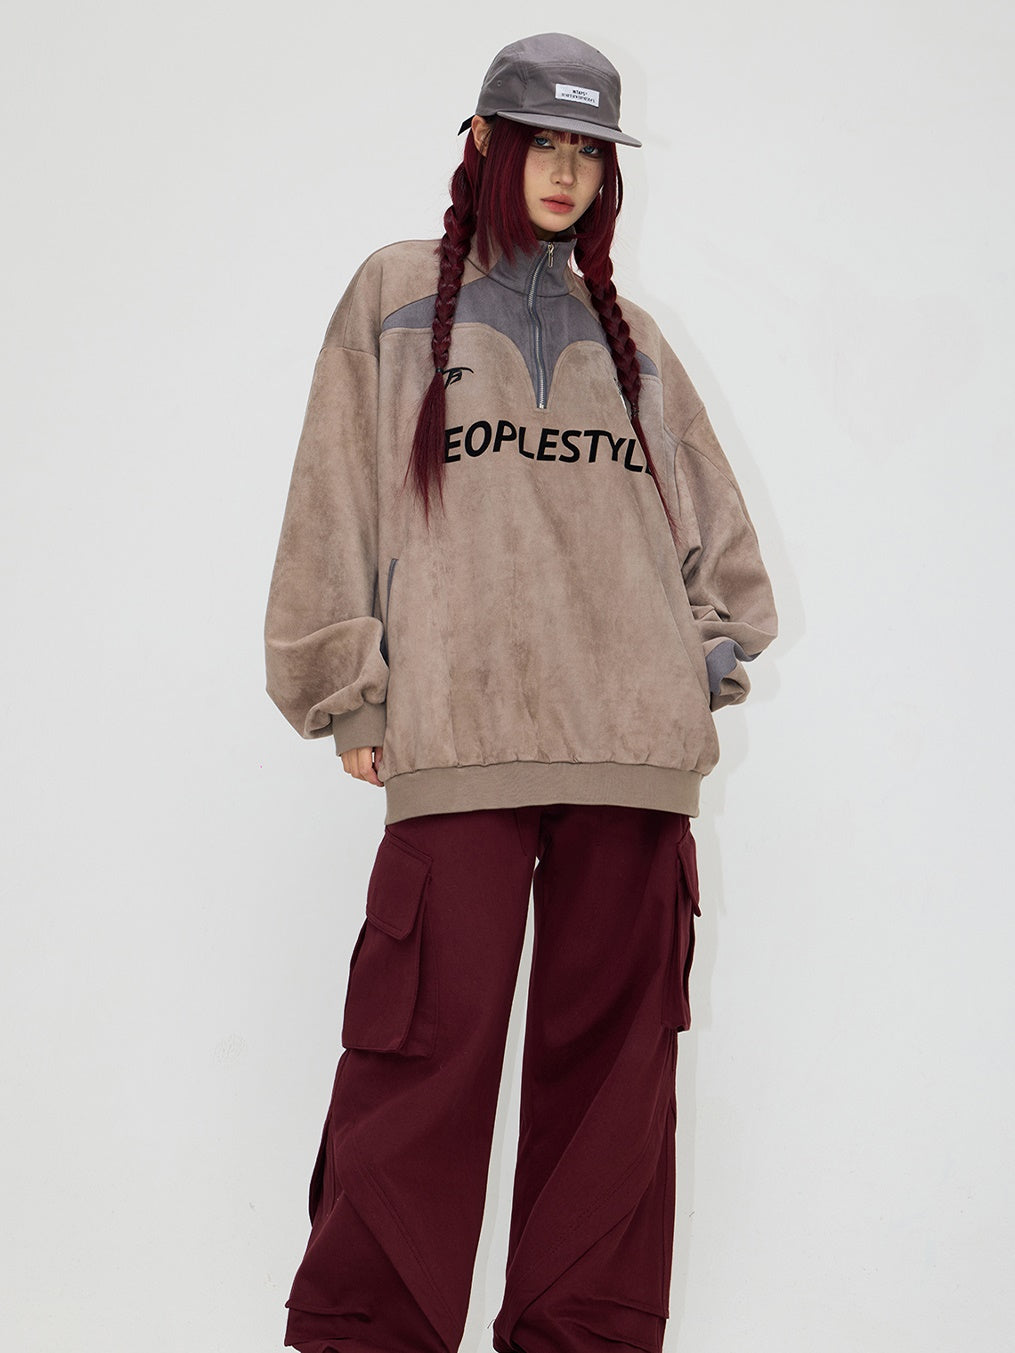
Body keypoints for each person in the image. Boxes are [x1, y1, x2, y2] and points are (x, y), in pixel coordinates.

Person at [263, 31, 778, 1353]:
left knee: (615, 1084)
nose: (565, 173)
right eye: (542, 143)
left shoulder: (634, 340)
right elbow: (331, 501)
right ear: (484, 143)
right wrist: (349, 691)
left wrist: (698, 663)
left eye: (588, 154)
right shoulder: (396, 297)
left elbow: (718, 547)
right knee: (420, 1064)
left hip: (632, 760)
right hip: (461, 742)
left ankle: (583, 1339)